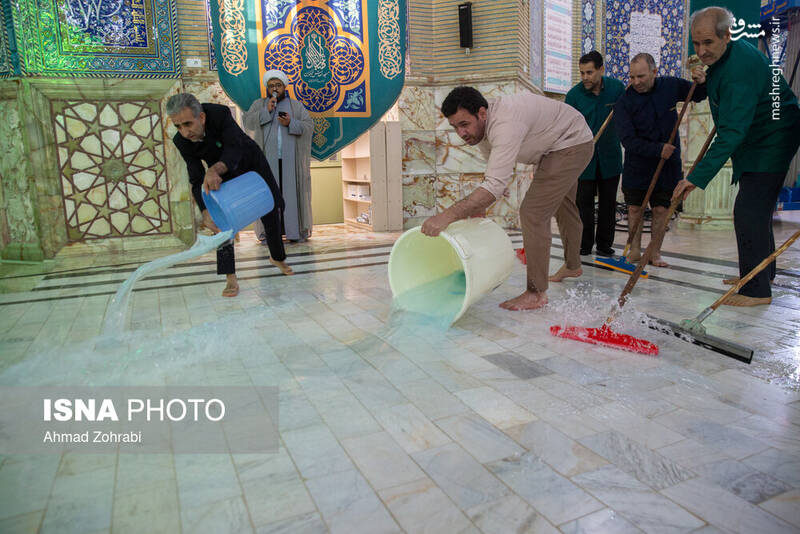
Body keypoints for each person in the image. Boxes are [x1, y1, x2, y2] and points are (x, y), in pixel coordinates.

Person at [421, 86, 593, 310]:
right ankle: (572, 265)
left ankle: (536, 293)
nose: (461, 134)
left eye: (464, 124)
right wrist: (480, 206)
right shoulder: (481, 131)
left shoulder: (504, 124)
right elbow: (495, 178)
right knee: (564, 206)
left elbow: (493, 185)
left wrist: (446, 216)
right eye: (455, 127)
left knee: (533, 212)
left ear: (482, 113)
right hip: (559, 143)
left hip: (570, 143)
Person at [673, 6, 800, 306]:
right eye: (697, 43)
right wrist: (706, 78)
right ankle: (757, 274)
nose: (702, 51)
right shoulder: (728, 55)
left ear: (726, 36)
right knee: (756, 208)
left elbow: (731, 133)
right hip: (764, 135)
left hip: (773, 137)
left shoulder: (739, 68)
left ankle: (755, 291)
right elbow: (721, 82)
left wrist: (695, 177)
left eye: (708, 43)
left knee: (748, 210)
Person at [167, 93, 293, 298]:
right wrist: (205, 210)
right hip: (218, 173)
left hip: (249, 161)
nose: (184, 132)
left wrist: (215, 169)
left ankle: (277, 257)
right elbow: (196, 175)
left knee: (274, 206)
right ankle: (230, 277)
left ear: (202, 118)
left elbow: (235, 148)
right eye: (178, 127)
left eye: (188, 124)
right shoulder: (181, 141)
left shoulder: (220, 114)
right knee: (221, 222)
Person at [614, 53, 707, 267]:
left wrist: (701, 81)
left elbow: (699, 94)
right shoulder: (624, 102)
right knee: (635, 208)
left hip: (668, 164)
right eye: (632, 77)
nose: (636, 82)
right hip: (638, 163)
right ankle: (634, 251)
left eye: (641, 76)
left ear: (654, 72)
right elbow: (628, 140)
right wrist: (658, 149)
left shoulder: (670, 86)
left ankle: (654, 253)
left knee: (661, 210)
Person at [565, 50, 625, 256]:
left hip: (610, 157)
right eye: (582, 73)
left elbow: (628, 114)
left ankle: (604, 245)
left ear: (601, 69)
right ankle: (584, 244)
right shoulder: (573, 96)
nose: (585, 78)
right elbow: (567, 129)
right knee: (584, 205)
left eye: (589, 72)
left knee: (608, 204)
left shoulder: (617, 89)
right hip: (584, 160)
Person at [243, 69, 314, 243]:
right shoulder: (259, 104)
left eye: (278, 85)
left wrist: (291, 122)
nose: (275, 88)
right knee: (269, 196)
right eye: (271, 85)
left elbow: (309, 126)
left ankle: (294, 232)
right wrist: (265, 112)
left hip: (291, 162)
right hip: (267, 161)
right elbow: (247, 122)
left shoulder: (296, 106)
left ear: (284, 87)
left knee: (290, 196)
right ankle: (269, 233)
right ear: (267, 88)